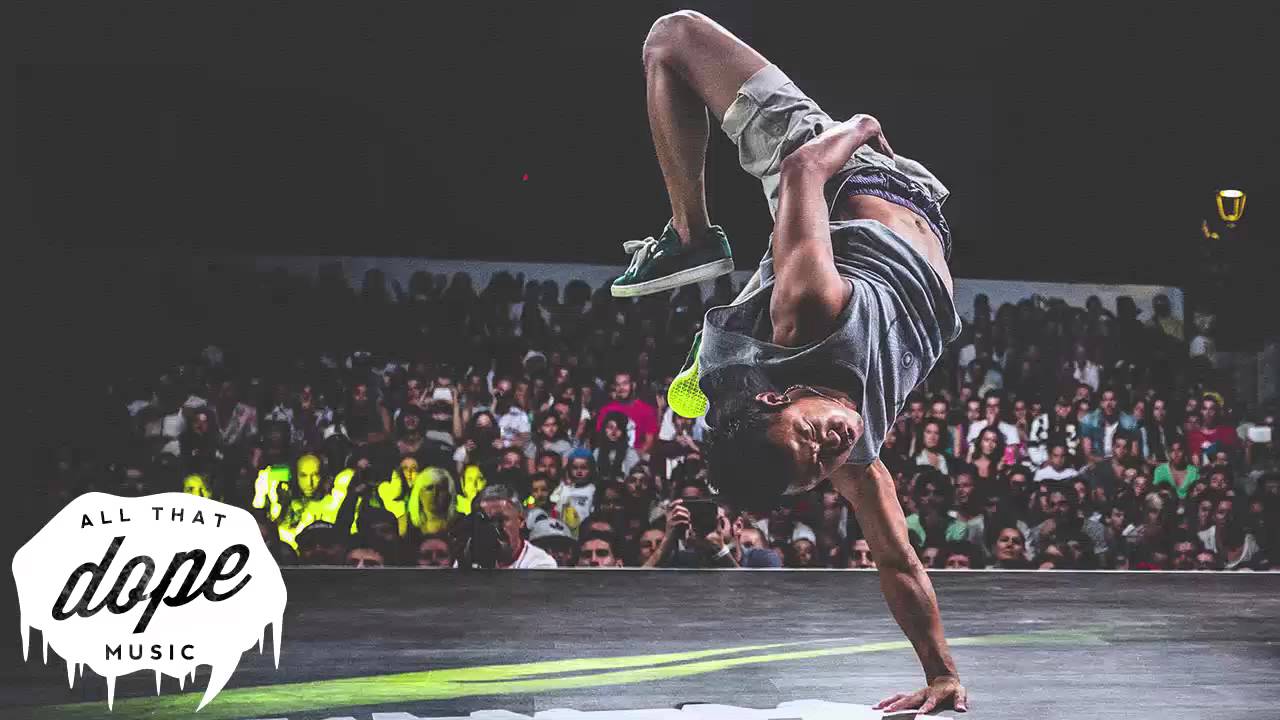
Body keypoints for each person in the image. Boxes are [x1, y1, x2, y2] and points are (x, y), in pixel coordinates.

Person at [610, 11, 964, 710]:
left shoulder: (810, 310)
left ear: (780, 397)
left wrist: (859, 126)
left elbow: (805, 166)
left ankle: (690, 235)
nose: (834, 442)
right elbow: (897, 561)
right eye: (822, 462)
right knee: (762, 320)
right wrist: (941, 673)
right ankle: (718, 350)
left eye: (811, 435)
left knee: (672, 37)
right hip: (916, 214)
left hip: (846, 179)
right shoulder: (852, 457)